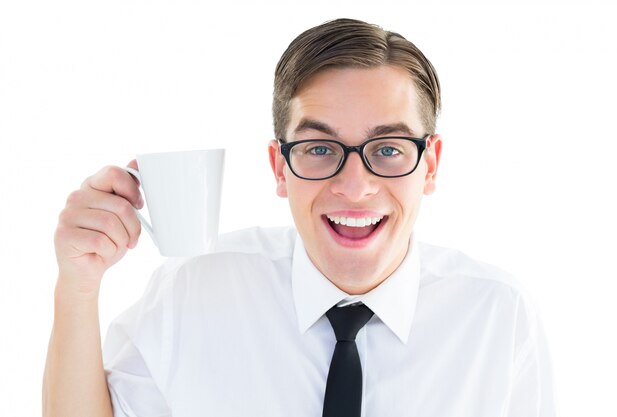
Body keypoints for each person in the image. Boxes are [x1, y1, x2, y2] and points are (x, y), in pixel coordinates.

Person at [43, 18, 556, 417]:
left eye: (390, 149)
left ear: (431, 165)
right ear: (279, 167)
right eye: (318, 148)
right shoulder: (192, 289)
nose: (355, 186)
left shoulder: (499, 317)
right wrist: (78, 286)